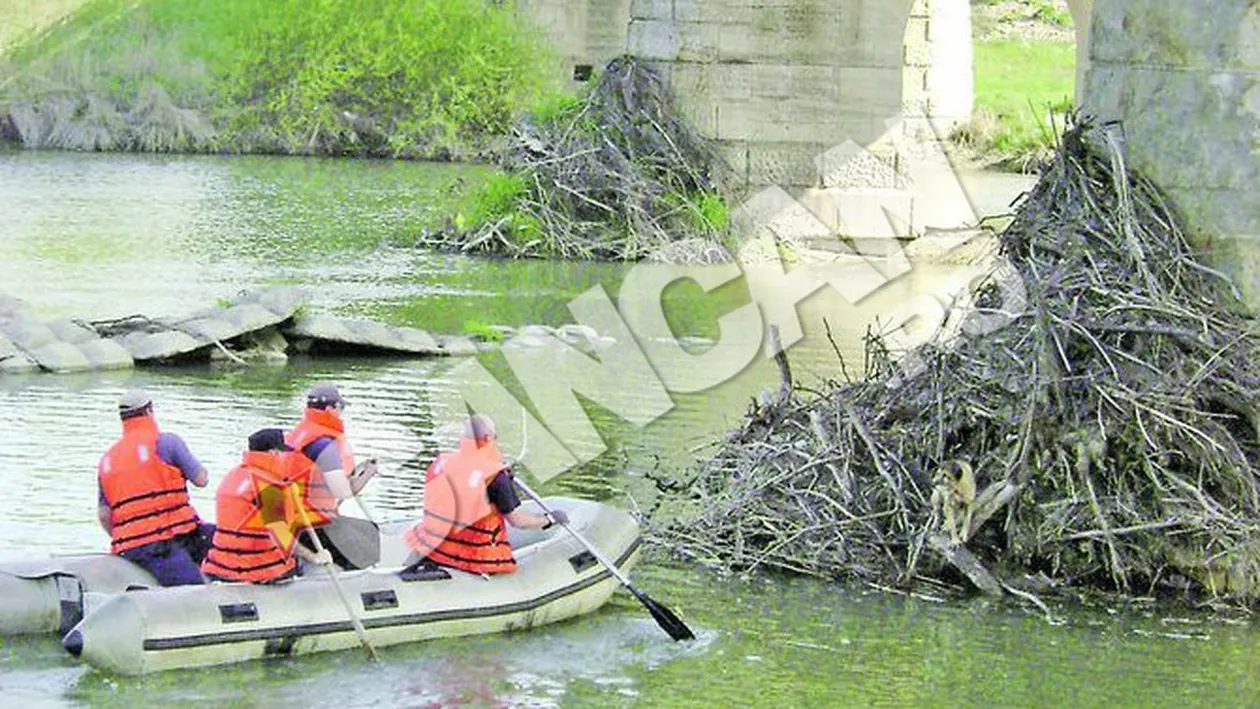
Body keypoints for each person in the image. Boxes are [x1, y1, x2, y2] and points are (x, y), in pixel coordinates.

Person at [402, 414, 568, 575]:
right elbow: (518, 522)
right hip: (472, 558)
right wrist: (550, 519)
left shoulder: (442, 462)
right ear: (489, 438)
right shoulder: (496, 477)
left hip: (433, 548)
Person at [97, 389, 215, 586]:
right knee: (227, 546)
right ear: (150, 411)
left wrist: (128, 536)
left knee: (209, 539)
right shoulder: (167, 442)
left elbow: (103, 514)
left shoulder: (107, 460)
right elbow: (201, 480)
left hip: (133, 546)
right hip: (165, 543)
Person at [201, 429, 332, 584]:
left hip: (219, 566)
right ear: (274, 453)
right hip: (257, 570)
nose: (287, 457)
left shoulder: (232, 476)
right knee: (308, 563)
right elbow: (281, 536)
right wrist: (314, 557)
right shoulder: (270, 486)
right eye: (284, 453)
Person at [285, 383, 379, 567]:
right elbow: (343, 492)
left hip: (295, 519)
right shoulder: (323, 445)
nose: (341, 412)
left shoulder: (299, 434)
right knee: (364, 547)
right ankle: (354, 583)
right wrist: (368, 474)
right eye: (340, 407)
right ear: (330, 408)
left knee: (370, 530)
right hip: (309, 526)